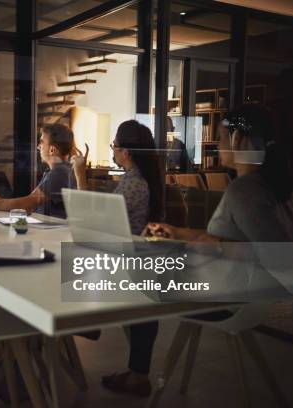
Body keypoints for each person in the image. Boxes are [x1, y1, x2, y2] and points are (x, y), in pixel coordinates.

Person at [107, 105, 293, 397]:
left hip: (227, 298)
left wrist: (218, 247)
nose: (217, 144)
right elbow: (225, 239)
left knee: (134, 280)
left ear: (237, 139)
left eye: (222, 137)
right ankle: (135, 369)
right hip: (249, 297)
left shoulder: (245, 190)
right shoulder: (277, 187)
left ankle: (132, 369)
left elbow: (282, 258)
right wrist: (177, 233)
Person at [100, 120, 163, 397]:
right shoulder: (140, 179)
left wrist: (78, 174)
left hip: (132, 266)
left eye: (114, 145)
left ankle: (78, 330)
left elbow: (100, 223)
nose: (113, 150)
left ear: (125, 152)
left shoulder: (135, 184)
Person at [0, 123, 77, 218]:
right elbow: (29, 203)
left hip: (52, 232)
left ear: (52, 150)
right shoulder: (58, 171)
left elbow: (28, 204)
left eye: (42, 142)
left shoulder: (59, 173)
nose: (38, 147)